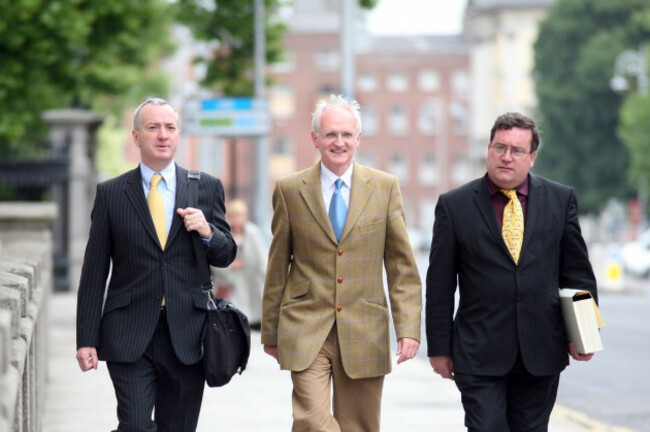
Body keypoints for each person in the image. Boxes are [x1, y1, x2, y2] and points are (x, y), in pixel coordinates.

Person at [426, 112, 598, 431]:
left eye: (517, 151)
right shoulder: (455, 206)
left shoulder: (560, 201)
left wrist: (585, 333)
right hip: (479, 352)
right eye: (500, 147)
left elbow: (577, 273)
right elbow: (440, 284)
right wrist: (438, 348)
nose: (507, 157)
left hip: (542, 350)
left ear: (532, 157)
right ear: (489, 149)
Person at [262, 94, 422, 432]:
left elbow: (401, 267)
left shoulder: (385, 188)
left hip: (365, 326)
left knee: (359, 426)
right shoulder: (290, 189)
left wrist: (408, 328)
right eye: (331, 134)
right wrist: (270, 329)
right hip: (305, 325)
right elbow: (277, 265)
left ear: (358, 139)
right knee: (310, 422)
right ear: (315, 139)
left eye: (347, 134)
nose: (339, 142)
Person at [75, 97, 237, 432]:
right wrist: (86, 338)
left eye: (170, 128)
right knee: (134, 426)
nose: (163, 135)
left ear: (178, 135)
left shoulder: (206, 187)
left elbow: (226, 254)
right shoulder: (111, 193)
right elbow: (94, 272)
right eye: (153, 128)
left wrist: (207, 231)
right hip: (128, 332)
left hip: (188, 333)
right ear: (136, 137)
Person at [211, 198, 267, 330]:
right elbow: (214, 261)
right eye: (234, 216)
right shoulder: (222, 233)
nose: (237, 220)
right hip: (230, 286)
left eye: (240, 215)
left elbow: (263, 260)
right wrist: (231, 265)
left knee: (253, 323)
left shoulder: (253, 233)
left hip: (251, 285)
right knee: (234, 321)